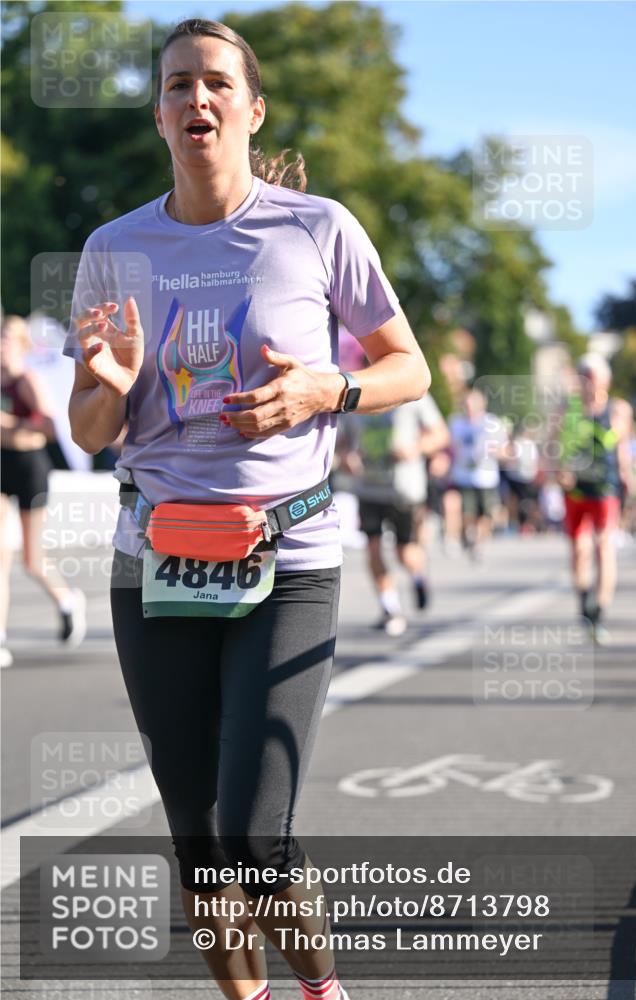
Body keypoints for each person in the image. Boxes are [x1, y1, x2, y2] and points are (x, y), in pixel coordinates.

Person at [65, 19, 431, 1000]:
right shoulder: (112, 248)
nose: (197, 99)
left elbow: (410, 366)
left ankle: (321, 990)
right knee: (199, 844)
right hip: (155, 563)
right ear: (158, 114)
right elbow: (92, 428)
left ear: (250, 107)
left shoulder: (317, 228)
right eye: (178, 84)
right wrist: (110, 381)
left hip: (289, 556)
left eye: (217, 83)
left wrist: (326, 390)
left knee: (250, 832)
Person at [1, 315, 86, 668]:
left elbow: (48, 427)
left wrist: (11, 424)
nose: (1, 345)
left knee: (32, 559)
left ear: (21, 346)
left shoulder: (26, 381)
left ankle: (67, 600)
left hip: (30, 469)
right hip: (1, 466)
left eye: (7, 339)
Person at [336, 395, 448, 635]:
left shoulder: (412, 390)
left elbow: (440, 434)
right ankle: (390, 608)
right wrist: (346, 456)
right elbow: (342, 440)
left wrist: (416, 448)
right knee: (373, 546)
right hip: (368, 487)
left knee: (404, 553)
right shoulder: (358, 388)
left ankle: (419, 577)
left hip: (404, 489)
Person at [557, 353, 631, 643]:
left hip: (604, 487)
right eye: (584, 376)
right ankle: (583, 600)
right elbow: (553, 441)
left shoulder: (617, 409)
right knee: (578, 549)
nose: (589, 382)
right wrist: (557, 469)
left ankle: (600, 611)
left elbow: (621, 443)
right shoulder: (567, 408)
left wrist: (627, 475)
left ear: (605, 380)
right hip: (575, 487)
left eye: (594, 377)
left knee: (603, 546)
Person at [448, 388, 508, 559]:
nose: (469, 407)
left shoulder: (492, 423)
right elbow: (448, 447)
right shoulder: (456, 423)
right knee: (466, 511)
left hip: (486, 477)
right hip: (463, 476)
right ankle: (468, 534)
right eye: (466, 403)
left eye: (473, 403)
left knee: (486, 514)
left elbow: (504, 449)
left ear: (482, 404)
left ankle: (479, 543)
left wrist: (496, 451)